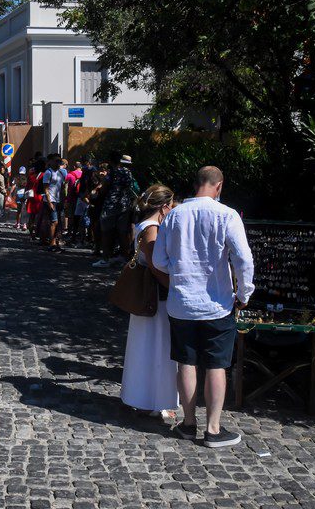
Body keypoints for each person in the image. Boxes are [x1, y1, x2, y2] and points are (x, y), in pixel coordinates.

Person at [152, 166, 255, 448]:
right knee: (216, 365)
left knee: (186, 363)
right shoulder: (227, 215)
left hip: (182, 303)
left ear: (196, 183)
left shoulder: (174, 215)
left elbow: (159, 260)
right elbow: (243, 259)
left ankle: (187, 423)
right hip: (217, 303)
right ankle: (213, 429)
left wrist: (181, 269)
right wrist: (245, 292)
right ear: (219, 185)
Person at [120, 185, 179, 417]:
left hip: (147, 295)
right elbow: (155, 266)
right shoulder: (152, 228)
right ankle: (156, 401)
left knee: (144, 347)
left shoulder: (143, 225)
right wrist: (174, 288)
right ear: (164, 207)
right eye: (172, 206)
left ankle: (142, 395)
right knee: (158, 348)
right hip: (154, 296)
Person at [95, 154, 138, 267]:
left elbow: (105, 188)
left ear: (111, 161)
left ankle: (105, 258)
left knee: (106, 232)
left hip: (111, 205)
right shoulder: (128, 172)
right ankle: (125, 258)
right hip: (125, 205)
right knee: (123, 232)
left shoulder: (112, 173)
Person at [42, 154, 66, 252]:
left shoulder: (61, 173)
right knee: (54, 222)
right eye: (56, 161)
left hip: (58, 200)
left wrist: (64, 200)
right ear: (51, 162)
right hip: (50, 200)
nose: (58, 163)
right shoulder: (48, 172)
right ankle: (51, 243)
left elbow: (62, 188)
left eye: (59, 161)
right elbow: (46, 188)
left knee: (57, 222)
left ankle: (55, 242)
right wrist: (49, 202)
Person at [13, 166, 29, 230]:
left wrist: (12, 194)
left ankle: (18, 224)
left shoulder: (16, 178)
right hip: (24, 194)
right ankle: (24, 225)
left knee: (18, 211)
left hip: (18, 194)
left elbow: (14, 186)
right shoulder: (27, 178)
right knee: (24, 211)